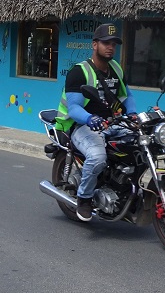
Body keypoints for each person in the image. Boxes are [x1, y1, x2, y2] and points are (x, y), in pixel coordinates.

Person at [54, 23, 138, 221]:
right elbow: (74, 108)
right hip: (81, 125)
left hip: (112, 123)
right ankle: (84, 198)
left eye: (114, 44)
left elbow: (127, 96)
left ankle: (126, 191)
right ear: (94, 45)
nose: (110, 47)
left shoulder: (116, 69)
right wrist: (90, 118)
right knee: (98, 156)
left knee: (139, 146)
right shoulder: (79, 71)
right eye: (106, 43)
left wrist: (133, 114)